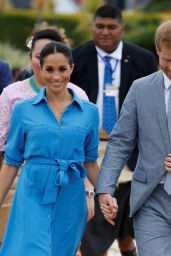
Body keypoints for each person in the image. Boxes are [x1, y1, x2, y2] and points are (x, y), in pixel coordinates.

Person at [70, 4, 157, 256]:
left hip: (130, 145)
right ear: (92, 27)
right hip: (90, 144)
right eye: (99, 26)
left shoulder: (142, 58)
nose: (105, 32)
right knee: (98, 209)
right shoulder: (77, 58)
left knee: (128, 204)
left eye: (111, 27)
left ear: (122, 28)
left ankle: (126, 245)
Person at [0, 41, 100, 255]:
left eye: (62, 69)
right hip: (32, 191)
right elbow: (11, 162)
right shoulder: (23, 111)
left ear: (71, 68)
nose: (56, 76)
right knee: (32, 249)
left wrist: (104, 193)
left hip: (71, 195)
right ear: (39, 69)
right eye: (50, 69)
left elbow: (90, 161)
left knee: (60, 251)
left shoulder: (89, 112)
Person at [96, 20, 171, 256]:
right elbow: (120, 142)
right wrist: (105, 188)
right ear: (157, 50)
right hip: (151, 199)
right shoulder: (141, 89)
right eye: (168, 60)